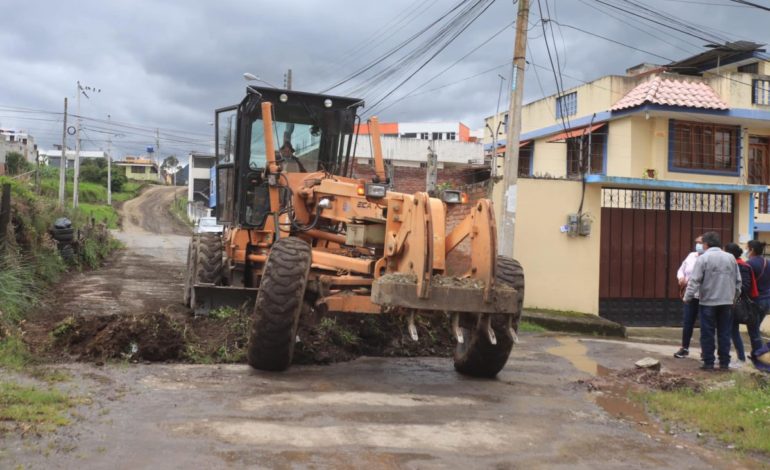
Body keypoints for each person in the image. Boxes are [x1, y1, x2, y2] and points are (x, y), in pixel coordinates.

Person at [683, 231, 741, 370]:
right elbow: (738, 281)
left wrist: (687, 297)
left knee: (708, 333)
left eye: (701, 243)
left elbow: (694, 281)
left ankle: (709, 363)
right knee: (724, 332)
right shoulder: (730, 258)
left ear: (706, 244)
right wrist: (733, 298)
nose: (700, 246)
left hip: (708, 302)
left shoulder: (703, 258)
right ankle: (724, 363)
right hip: (726, 302)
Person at [674, 235, 704, 358]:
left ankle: (705, 351)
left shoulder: (709, 258)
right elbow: (681, 270)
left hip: (704, 297)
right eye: (696, 242)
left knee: (705, 325)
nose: (698, 245)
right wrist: (681, 278)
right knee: (687, 323)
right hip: (690, 296)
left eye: (700, 243)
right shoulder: (691, 256)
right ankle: (684, 348)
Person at [725, 243, 752, 367]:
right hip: (729, 302)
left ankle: (740, 358)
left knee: (733, 331)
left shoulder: (742, 266)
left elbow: (745, 286)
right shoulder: (732, 264)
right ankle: (731, 357)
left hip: (735, 303)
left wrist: (733, 292)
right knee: (729, 330)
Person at [746, 240, 770, 358]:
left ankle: (759, 354)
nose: (746, 251)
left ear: (752, 250)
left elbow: (747, 283)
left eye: (747, 248)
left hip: (755, 300)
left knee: (753, 328)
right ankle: (756, 352)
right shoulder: (768, 262)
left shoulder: (749, 264)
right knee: (755, 326)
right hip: (767, 299)